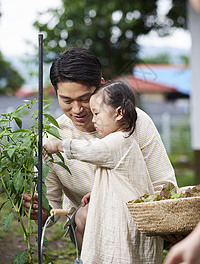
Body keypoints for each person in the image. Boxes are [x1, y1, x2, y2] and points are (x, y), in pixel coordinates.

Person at [23, 47, 178, 250]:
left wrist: (114, 199)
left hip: (139, 219)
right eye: (67, 100)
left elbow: (165, 186)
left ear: (102, 86)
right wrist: (41, 213)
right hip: (85, 225)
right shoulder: (50, 138)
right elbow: (51, 208)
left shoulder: (135, 123)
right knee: (89, 214)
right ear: (56, 93)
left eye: (85, 99)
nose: (77, 110)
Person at [43, 80, 164, 263]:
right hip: (126, 212)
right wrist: (98, 192)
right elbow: (120, 182)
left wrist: (59, 145)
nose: (93, 120)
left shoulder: (119, 141)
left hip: (126, 218)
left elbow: (92, 149)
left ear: (119, 113)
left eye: (97, 113)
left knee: (118, 255)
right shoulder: (120, 141)